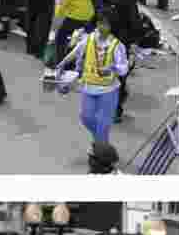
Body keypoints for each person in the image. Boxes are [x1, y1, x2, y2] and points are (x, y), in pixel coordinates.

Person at [55, 12, 129, 147]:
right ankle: (102, 143)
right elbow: (77, 50)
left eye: (106, 24)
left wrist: (112, 68)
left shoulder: (117, 45)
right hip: (88, 86)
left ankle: (101, 148)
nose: (102, 27)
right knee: (86, 118)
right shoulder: (89, 38)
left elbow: (124, 69)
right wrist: (63, 62)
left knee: (103, 124)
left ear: (112, 27)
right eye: (100, 23)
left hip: (108, 90)